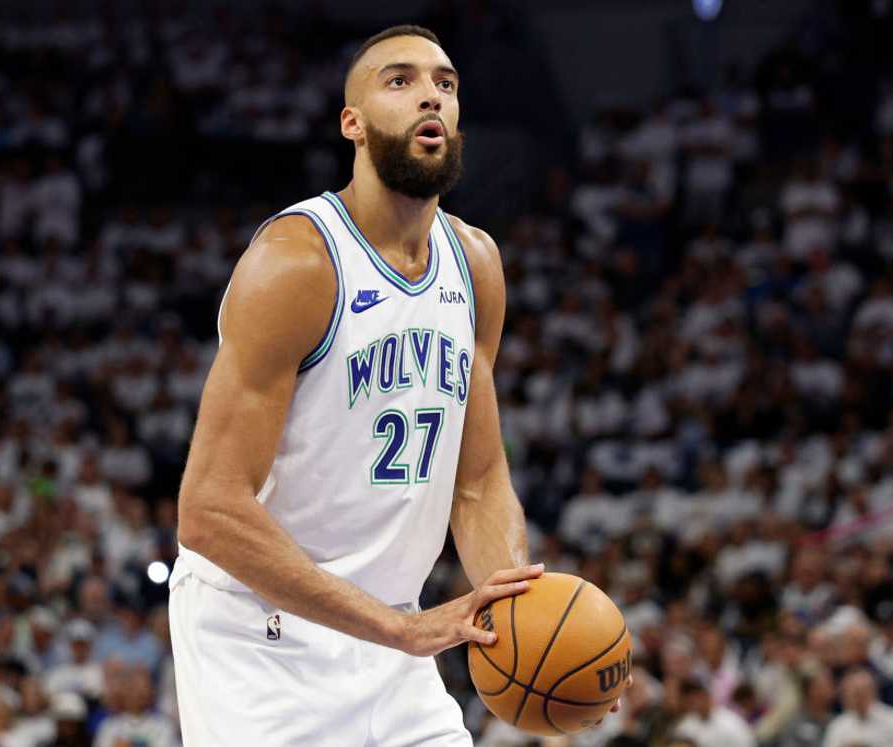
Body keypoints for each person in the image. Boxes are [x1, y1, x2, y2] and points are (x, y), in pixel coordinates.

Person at [169, 24, 629, 746]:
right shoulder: (297, 263)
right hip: (259, 639)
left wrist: (523, 622)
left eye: (445, 84)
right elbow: (208, 509)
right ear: (351, 123)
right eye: (400, 80)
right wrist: (400, 626)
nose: (430, 97)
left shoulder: (475, 264)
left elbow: (477, 478)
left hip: (393, 631)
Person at [823, 668, 893, 747]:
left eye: (862, 692)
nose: (858, 698)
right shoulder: (838, 726)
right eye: (854, 694)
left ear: (874, 692)